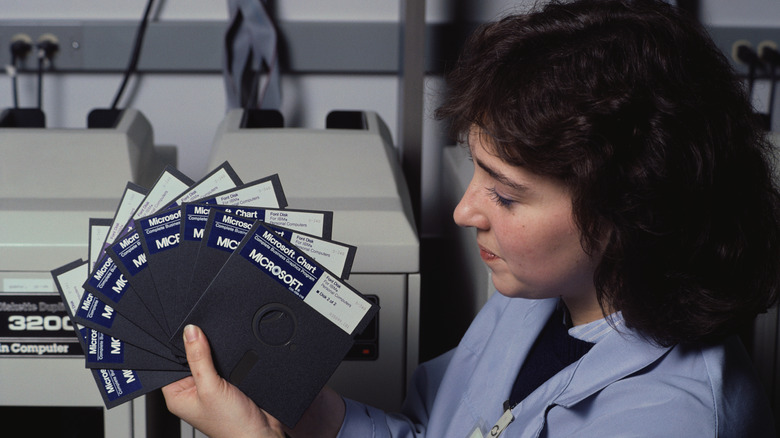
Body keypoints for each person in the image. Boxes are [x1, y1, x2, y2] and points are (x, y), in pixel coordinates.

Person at [162, 0, 780, 436]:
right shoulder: (534, 296)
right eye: (476, 170)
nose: (465, 211)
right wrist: (311, 416)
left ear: (630, 212)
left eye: (506, 196)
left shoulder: (674, 420)